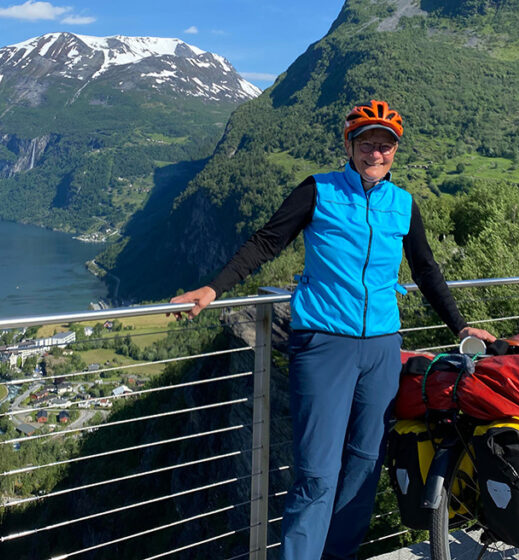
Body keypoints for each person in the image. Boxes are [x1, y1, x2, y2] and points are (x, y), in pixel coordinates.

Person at [170, 100, 494, 559]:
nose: (375, 153)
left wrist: (461, 325)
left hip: (382, 348)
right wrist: (214, 288)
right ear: (349, 145)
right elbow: (267, 240)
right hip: (323, 343)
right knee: (317, 473)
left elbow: (426, 269)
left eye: (384, 145)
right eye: (366, 143)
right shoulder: (317, 191)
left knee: (365, 466)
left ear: (395, 152)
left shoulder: (402, 204)